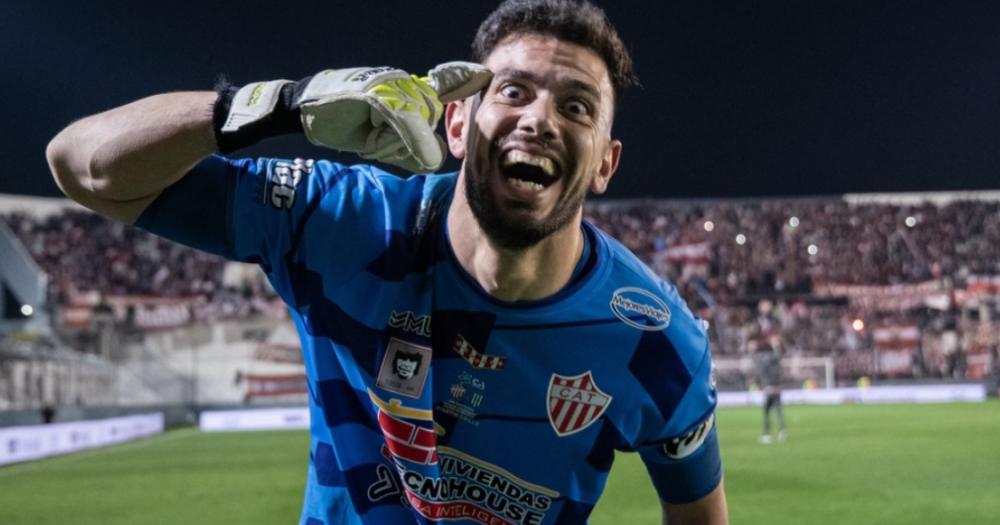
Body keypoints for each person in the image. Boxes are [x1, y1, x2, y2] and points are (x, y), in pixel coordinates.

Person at [46, 0, 727, 523]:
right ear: (457, 124)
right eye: (514, 91)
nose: (540, 119)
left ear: (605, 163)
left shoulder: (654, 338)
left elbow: (699, 514)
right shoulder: (343, 221)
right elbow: (84, 166)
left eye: (576, 106)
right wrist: (279, 104)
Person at [752, 334, 786, 444]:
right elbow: (778, 355)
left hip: (769, 389)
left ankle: (767, 434)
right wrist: (776, 346)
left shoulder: (763, 360)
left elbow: (759, 372)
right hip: (777, 388)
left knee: (766, 412)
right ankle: (782, 431)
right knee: (778, 411)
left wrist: (760, 384)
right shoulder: (775, 360)